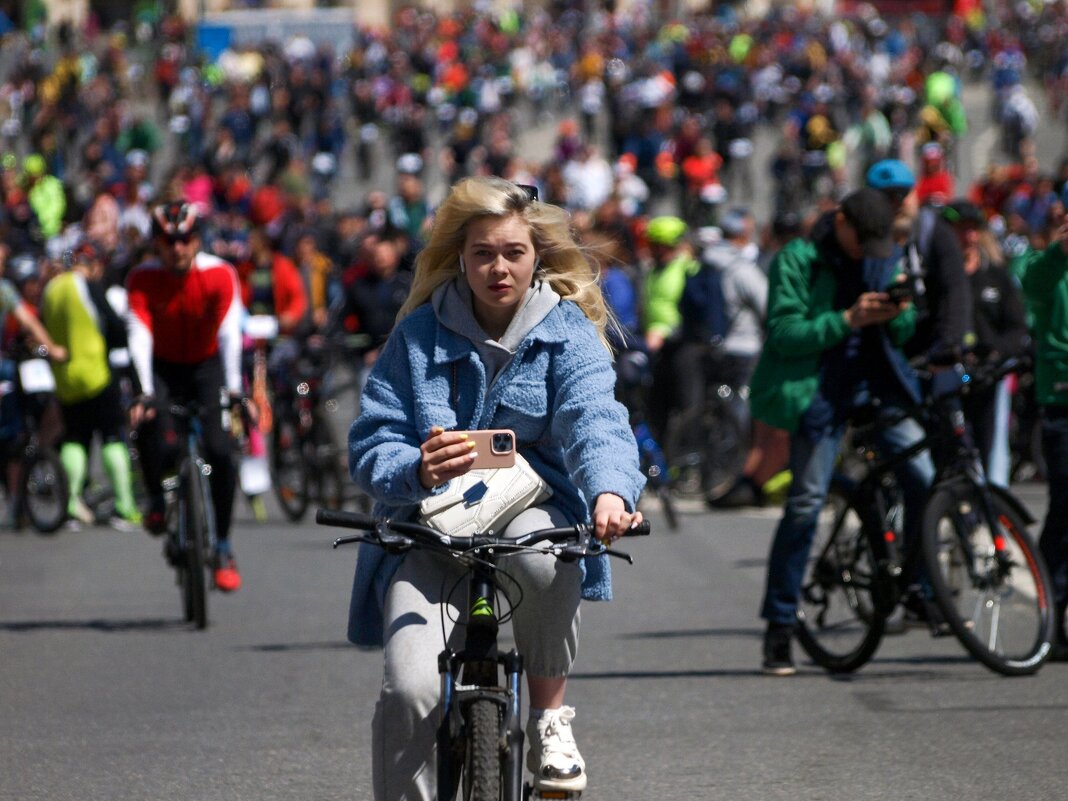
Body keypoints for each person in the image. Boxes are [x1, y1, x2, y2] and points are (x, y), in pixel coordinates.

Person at [346, 177, 644, 800]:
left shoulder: (568, 333)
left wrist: (611, 494)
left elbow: (597, 421)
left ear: (538, 255)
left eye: (513, 252)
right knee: (409, 689)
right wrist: (417, 468)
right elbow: (373, 440)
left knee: (547, 556)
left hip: (528, 517)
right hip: (427, 530)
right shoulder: (417, 335)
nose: (498, 267)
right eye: (483, 253)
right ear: (459, 258)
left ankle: (549, 721)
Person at [748, 188, 935, 675]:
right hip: (819, 392)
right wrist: (848, 319)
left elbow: (905, 328)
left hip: (879, 387)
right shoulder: (800, 258)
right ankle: (781, 625)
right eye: (861, 243)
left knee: (924, 476)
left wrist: (898, 312)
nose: (865, 255)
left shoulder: (881, 253)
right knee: (807, 502)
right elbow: (785, 333)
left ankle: (921, 588)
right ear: (842, 222)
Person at [125, 202, 244, 593]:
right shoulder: (142, 278)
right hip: (162, 369)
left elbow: (229, 334)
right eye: (168, 241)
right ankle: (157, 501)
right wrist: (144, 389)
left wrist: (235, 389)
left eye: (185, 239)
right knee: (152, 428)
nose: (177, 248)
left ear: (197, 240)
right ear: (156, 244)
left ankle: (223, 547)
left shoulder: (219, 274)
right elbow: (139, 333)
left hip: (207, 368)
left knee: (221, 452)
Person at [40, 240, 142, 529]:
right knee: (111, 435)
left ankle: (70, 506)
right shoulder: (86, 285)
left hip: (65, 377)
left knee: (75, 439)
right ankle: (124, 505)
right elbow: (114, 325)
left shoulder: (51, 289)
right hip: (97, 373)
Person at [942, 200, 1028, 487]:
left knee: (991, 449)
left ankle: (989, 510)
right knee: (949, 448)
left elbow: (1017, 329)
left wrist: (997, 353)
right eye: (960, 230)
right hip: (948, 375)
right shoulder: (938, 278)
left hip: (988, 377)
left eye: (972, 230)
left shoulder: (996, 276)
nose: (968, 237)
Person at [1017, 213, 1068, 660]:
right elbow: (1033, 286)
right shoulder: (1047, 265)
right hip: (1062, 404)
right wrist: (1060, 251)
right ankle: (1055, 614)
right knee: (1066, 510)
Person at [865, 158, 972, 364]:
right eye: (888, 196)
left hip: (930, 350)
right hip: (875, 353)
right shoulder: (858, 239)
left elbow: (955, 290)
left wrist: (947, 345)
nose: (898, 203)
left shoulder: (934, 233)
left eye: (904, 193)